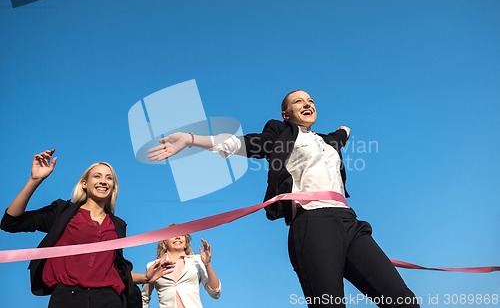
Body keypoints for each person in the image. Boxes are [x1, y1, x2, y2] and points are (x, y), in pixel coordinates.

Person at [147, 90, 420, 308]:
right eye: (298, 101)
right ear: (286, 114)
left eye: (310, 100)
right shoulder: (281, 135)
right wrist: (191, 139)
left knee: (402, 300)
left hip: (349, 222)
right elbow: (242, 143)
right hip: (313, 224)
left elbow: (341, 135)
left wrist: (345, 131)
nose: (307, 103)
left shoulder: (328, 141)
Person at [0, 149, 173, 308]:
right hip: (67, 296)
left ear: (113, 187)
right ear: (84, 183)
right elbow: (10, 222)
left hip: (109, 298)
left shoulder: (117, 225)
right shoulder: (62, 212)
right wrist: (34, 180)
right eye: (97, 176)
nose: (103, 181)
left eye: (109, 178)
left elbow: (111, 270)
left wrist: (145, 278)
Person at [141, 229, 221, 308]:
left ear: (186, 243)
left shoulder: (196, 260)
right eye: (172, 234)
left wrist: (207, 264)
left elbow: (215, 292)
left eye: (181, 234)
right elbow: (144, 298)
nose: (178, 237)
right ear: (164, 242)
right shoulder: (153, 266)